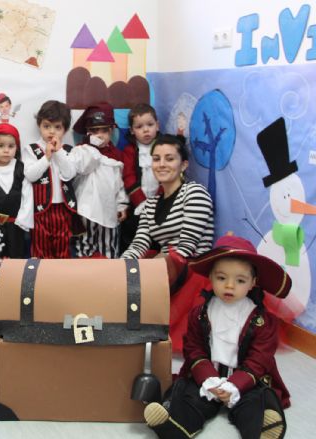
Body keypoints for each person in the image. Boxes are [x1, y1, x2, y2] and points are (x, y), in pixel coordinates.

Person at [144, 235, 290, 439]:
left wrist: (236, 384)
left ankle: (261, 428)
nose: (229, 285)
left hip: (246, 379)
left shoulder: (262, 321)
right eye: (221, 278)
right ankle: (172, 423)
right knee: (190, 397)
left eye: (240, 280)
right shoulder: (199, 314)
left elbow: (260, 358)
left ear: (253, 283)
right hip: (208, 376)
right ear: (211, 277)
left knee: (254, 400)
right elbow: (193, 348)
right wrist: (208, 379)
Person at [122, 134, 214, 351]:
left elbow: (187, 247)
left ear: (184, 164)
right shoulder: (150, 204)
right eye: (156, 159)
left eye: (169, 158)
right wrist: (119, 267)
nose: (161, 164)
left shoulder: (195, 193)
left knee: (149, 270)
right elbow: (139, 244)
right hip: (164, 269)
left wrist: (148, 272)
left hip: (192, 270)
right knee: (124, 268)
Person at [0, 123, 33, 295]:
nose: (6, 150)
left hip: (16, 223)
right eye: (1, 146)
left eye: (11, 146)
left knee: (17, 255)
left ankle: (14, 289)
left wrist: (23, 219)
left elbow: (27, 195)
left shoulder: (21, 168)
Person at [21, 100, 78, 258]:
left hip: (64, 208)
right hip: (40, 209)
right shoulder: (31, 149)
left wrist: (58, 152)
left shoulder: (68, 150)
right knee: (40, 249)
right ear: (39, 125)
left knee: (63, 247)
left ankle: (62, 274)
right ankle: (41, 275)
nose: (51, 132)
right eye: (47, 126)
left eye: (57, 127)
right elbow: (30, 175)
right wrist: (46, 157)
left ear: (65, 129)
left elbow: (69, 174)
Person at [71, 103, 128, 258]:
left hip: (108, 210)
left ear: (111, 130)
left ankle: (109, 272)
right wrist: (91, 145)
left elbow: (119, 183)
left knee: (109, 248)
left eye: (104, 130)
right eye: (95, 131)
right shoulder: (80, 150)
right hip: (86, 210)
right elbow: (85, 167)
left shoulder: (116, 154)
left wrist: (121, 204)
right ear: (87, 132)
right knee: (84, 248)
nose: (100, 135)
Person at [120, 103, 161, 253]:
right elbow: (128, 176)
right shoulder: (129, 151)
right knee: (133, 238)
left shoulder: (164, 147)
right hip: (137, 205)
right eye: (139, 127)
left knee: (158, 240)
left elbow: (168, 175)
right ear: (132, 130)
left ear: (157, 125)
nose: (146, 130)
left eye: (150, 124)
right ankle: (130, 263)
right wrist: (140, 201)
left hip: (160, 204)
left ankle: (157, 262)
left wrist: (159, 201)